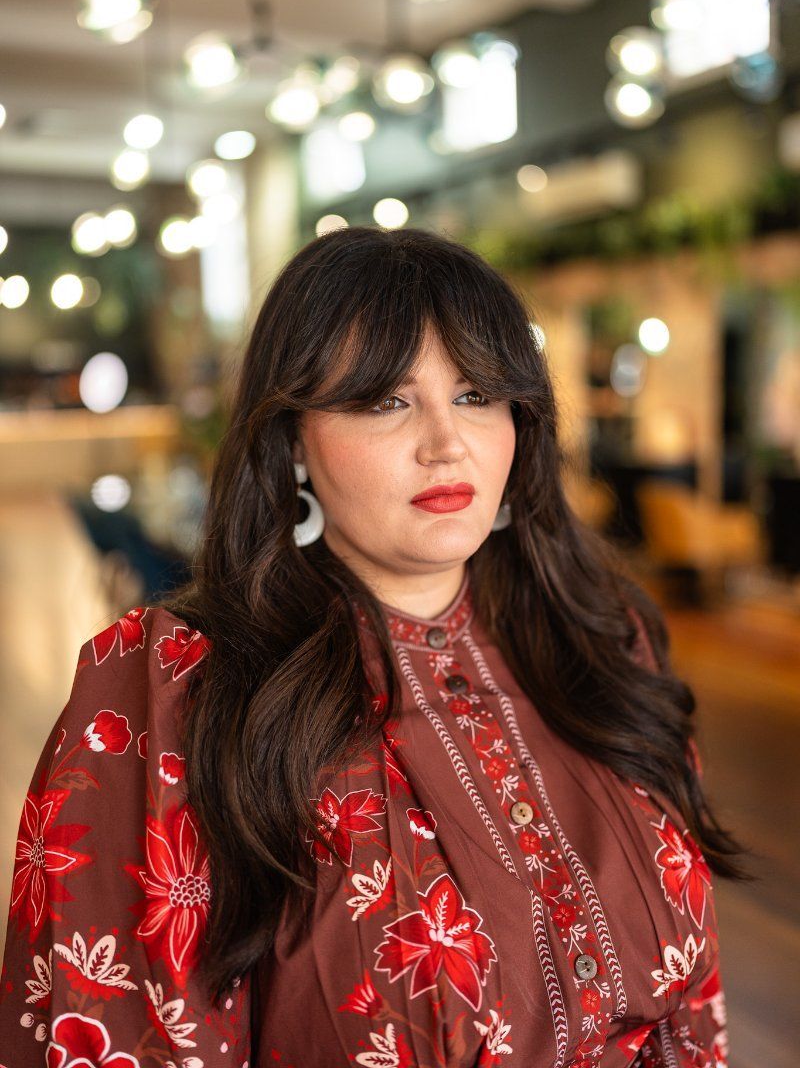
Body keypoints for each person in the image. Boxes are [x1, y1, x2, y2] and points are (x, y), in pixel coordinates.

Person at [0, 225, 754, 1067]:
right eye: (384, 401)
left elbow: (698, 1020)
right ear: (291, 441)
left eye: (476, 395)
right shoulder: (175, 691)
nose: (446, 442)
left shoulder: (602, 643)